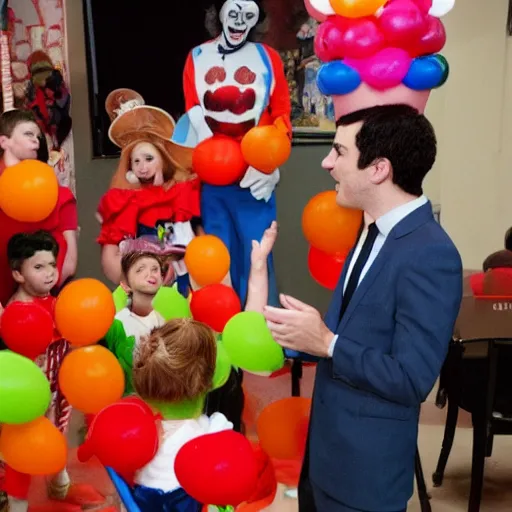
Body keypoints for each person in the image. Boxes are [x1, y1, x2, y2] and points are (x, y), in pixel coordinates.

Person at [263, 104, 463, 512]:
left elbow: (411, 379)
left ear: (379, 169)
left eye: (339, 151)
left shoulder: (431, 253)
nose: (326, 162)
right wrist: (302, 335)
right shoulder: (370, 228)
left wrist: (328, 342)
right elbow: (353, 330)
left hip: (364, 477)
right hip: (324, 460)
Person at [175, 0, 291, 307]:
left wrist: (270, 164)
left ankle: (262, 339)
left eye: (248, 13)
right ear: (219, 12)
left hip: (255, 179)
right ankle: (220, 338)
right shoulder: (198, 57)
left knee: (257, 258)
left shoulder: (268, 58)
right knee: (217, 260)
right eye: (234, 11)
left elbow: (281, 115)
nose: (240, 21)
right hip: (212, 179)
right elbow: (192, 109)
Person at [105, 222, 278, 428]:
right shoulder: (120, 323)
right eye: (140, 269)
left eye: (155, 269)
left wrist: (258, 267)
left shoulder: (190, 323)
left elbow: (247, 330)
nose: (150, 275)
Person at [97, 89, 200, 295]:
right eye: (136, 161)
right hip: (141, 285)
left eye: (149, 159)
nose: (142, 167)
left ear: (162, 159)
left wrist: (170, 265)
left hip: (177, 280)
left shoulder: (179, 193)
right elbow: (111, 259)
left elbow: (181, 246)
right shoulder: (124, 200)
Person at [0, 232, 74, 511]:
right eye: (38, 267)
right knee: (22, 452)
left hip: (56, 389)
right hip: (25, 401)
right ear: (18, 274)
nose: (49, 274)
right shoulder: (15, 313)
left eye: (52, 265)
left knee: (56, 438)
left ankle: (60, 484)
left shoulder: (57, 303)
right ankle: (17, 503)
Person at [0, 109, 78, 307]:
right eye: (28, 134)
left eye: (37, 136)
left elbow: (70, 261)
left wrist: (39, 292)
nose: (36, 140)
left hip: (45, 302)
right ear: (4, 142)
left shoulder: (60, 194)